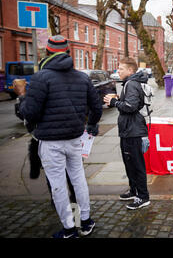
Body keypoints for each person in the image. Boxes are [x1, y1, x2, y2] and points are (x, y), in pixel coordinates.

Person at [14, 35, 102, 238]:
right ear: (68, 53)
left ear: (48, 52)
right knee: (79, 178)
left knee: (58, 184)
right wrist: (90, 125)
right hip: (74, 138)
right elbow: (96, 107)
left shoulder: (41, 77)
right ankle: (86, 221)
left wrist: (22, 95)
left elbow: (30, 113)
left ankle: (70, 229)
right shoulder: (82, 77)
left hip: (50, 141)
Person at [104, 57, 150, 210]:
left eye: (121, 69)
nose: (118, 71)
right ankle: (133, 191)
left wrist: (114, 103)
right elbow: (132, 103)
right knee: (129, 164)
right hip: (129, 130)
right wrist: (118, 98)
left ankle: (143, 197)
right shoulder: (130, 83)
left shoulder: (131, 84)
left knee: (136, 165)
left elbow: (130, 106)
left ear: (130, 70)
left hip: (134, 131)